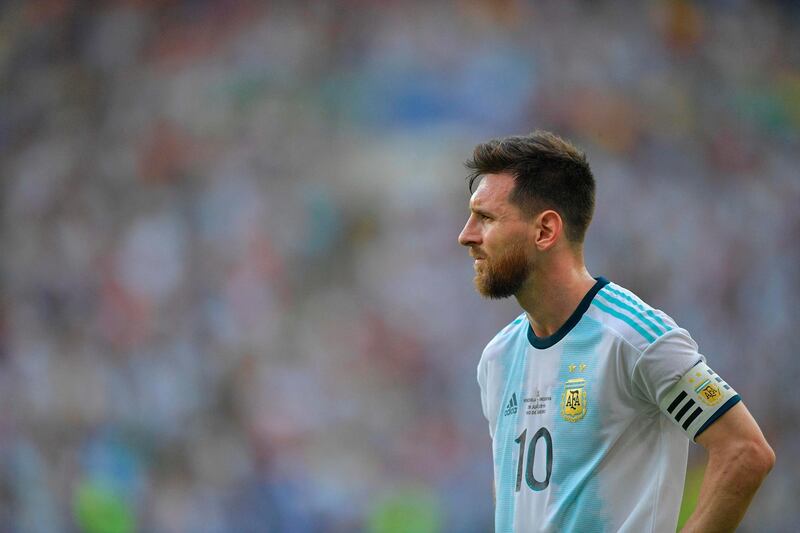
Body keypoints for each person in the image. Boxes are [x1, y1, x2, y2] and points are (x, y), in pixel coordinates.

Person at [457, 131, 774, 533]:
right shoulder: (498, 356)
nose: (466, 235)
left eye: (485, 218)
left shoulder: (635, 338)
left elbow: (745, 451)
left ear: (545, 231)